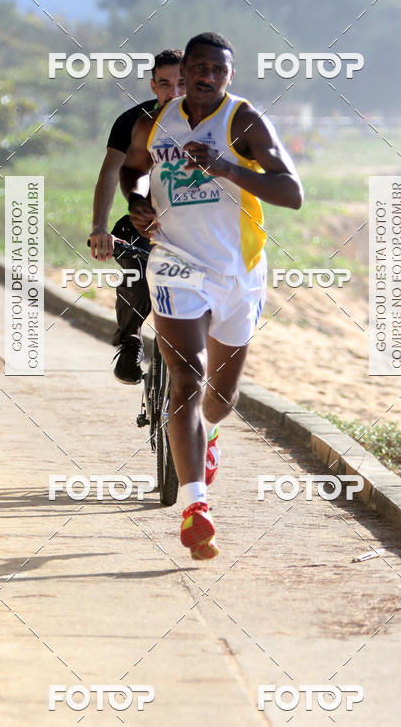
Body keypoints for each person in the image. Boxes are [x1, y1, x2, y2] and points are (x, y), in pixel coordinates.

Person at [120, 32, 303, 559]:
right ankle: (195, 507)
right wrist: (137, 204)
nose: (206, 77)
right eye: (198, 67)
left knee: (219, 400)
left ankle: (211, 438)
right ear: (185, 71)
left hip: (237, 271)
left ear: (229, 74)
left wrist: (224, 166)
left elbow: (292, 192)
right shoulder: (152, 122)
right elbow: (133, 171)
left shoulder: (243, 121)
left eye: (218, 70)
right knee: (186, 377)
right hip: (176, 262)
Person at [88, 49, 184, 384]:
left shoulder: (210, 125)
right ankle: (129, 342)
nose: (174, 92)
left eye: (182, 83)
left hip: (192, 228)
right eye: (165, 84)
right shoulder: (134, 122)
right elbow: (111, 172)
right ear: (153, 85)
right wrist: (99, 228)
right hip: (143, 221)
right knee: (138, 275)